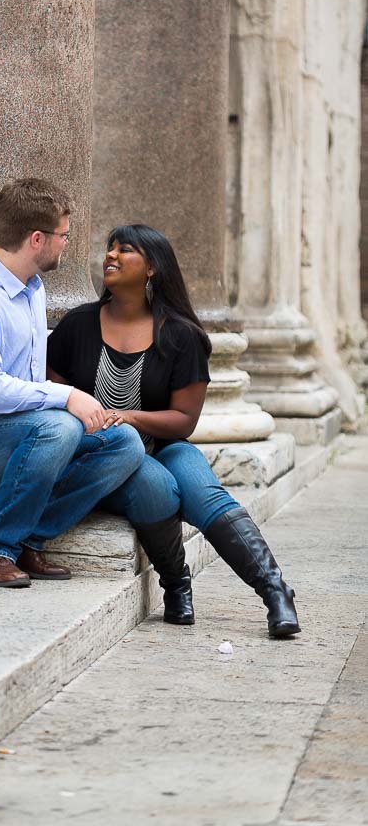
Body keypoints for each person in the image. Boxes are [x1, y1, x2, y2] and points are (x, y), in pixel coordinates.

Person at [47, 224, 300, 638]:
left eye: (124, 250)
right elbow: (52, 394)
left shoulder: (181, 335)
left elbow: (184, 420)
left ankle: (275, 591)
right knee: (157, 489)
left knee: (202, 491)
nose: (110, 255)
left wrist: (128, 417)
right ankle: (176, 585)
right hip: (103, 455)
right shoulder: (77, 326)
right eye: (109, 249)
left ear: (151, 269)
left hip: (164, 444)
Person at [0, 180, 145, 589]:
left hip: (10, 427)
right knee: (59, 426)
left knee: (123, 443)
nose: (66, 244)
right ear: (37, 238)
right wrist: (67, 396)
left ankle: (27, 538)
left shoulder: (31, 288)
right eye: (64, 236)